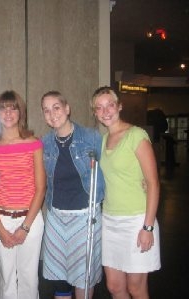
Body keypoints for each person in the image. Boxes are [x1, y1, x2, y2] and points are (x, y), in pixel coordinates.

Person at [91, 86, 161, 298]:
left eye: (110, 105)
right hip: (110, 221)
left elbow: (153, 182)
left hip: (136, 220)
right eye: (99, 108)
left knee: (136, 288)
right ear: (95, 113)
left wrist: (147, 226)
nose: (106, 111)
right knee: (114, 286)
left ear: (119, 106)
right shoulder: (103, 141)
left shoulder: (136, 135)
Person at [40, 91, 105, 299]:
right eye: (46, 110)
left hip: (85, 216)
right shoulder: (45, 143)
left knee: (83, 275)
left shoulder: (91, 137)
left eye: (56, 107)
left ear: (67, 109)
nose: (52, 114)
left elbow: (110, 165)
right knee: (60, 275)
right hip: (57, 216)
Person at [0, 90, 45, 299]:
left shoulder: (33, 143)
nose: (8, 112)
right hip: (2, 218)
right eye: (3, 108)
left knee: (29, 278)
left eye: (13, 107)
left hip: (30, 219)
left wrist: (25, 226)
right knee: (6, 278)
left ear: (21, 113)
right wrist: (1, 230)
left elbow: (41, 189)